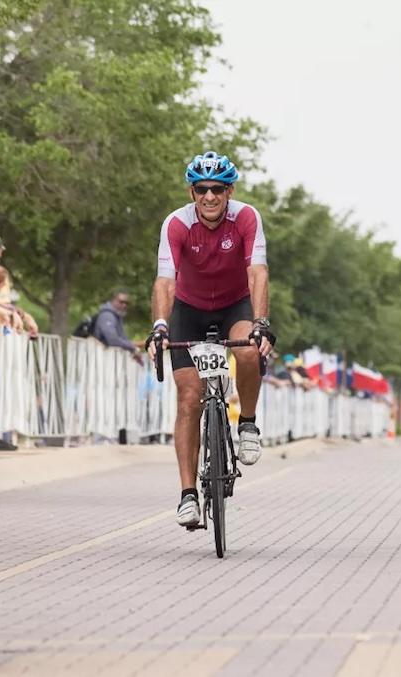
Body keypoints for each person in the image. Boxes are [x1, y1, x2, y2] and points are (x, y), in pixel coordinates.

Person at [146, 151, 275, 528]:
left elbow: (258, 272)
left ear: (229, 191)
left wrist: (261, 321)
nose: (209, 197)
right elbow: (165, 281)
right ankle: (188, 494)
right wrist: (159, 325)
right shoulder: (177, 224)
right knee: (189, 399)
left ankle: (247, 423)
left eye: (217, 189)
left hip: (234, 306)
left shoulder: (247, 218)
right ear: (191, 192)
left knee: (250, 351)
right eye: (201, 189)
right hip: (190, 310)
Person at [0, 237, 39, 337]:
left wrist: (25, 316)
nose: (1, 253)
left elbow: (4, 304)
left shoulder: (2, 273)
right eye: (0, 249)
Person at [91, 290, 144, 364]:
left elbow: (122, 339)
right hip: (100, 360)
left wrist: (134, 349)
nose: (124, 305)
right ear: (113, 301)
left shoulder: (117, 317)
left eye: (126, 303)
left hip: (109, 360)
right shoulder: (107, 315)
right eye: (121, 302)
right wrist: (133, 347)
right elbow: (113, 340)